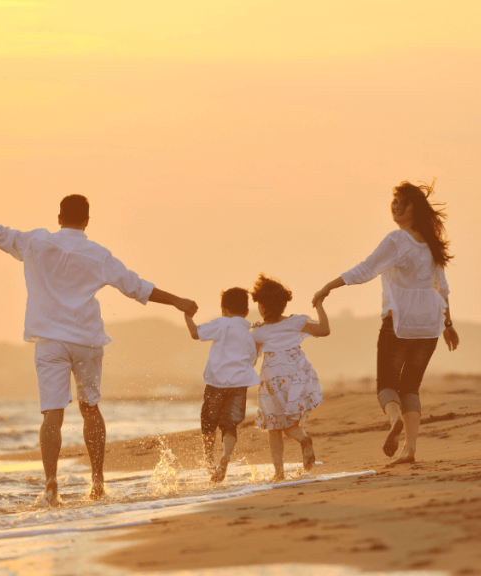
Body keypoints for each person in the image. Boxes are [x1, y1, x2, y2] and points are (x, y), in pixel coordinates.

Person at [0, 195, 198, 505]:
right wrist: (178, 301)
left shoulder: (36, 242)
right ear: (86, 221)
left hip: (50, 343)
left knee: (52, 416)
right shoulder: (98, 254)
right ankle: (97, 480)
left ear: (59, 217)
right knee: (90, 408)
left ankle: (51, 483)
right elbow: (136, 287)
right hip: (87, 341)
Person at [312, 181, 459, 466]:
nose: (396, 206)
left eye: (403, 202)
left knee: (386, 387)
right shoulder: (432, 243)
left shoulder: (397, 240)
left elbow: (366, 269)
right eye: (394, 201)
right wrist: (449, 324)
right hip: (429, 325)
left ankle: (394, 420)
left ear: (415, 208)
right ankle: (410, 449)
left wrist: (328, 287)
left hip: (398, 324)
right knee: (411, 388)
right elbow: (443, 287)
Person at [250, 275, 330, 481]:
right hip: (295, 375)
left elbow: (250, 360)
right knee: (288, 421)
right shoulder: (296, 321)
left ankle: (279, 473)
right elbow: (324, 330)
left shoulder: (259, 332)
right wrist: (319, 305)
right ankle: (303, 439)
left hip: (273, 379)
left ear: (263, 306)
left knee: (273, 426)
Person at [183, 287, 260, 482]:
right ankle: (225, 457)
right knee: (229, 424)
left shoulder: (222, 324)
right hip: (239, 384)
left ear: (224, 309)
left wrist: (187, 315)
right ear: (246, 312)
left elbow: (194, 333)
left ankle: (209, 460)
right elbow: (252, 360)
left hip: (216, 382)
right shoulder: (248, 333)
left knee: (209, 422)